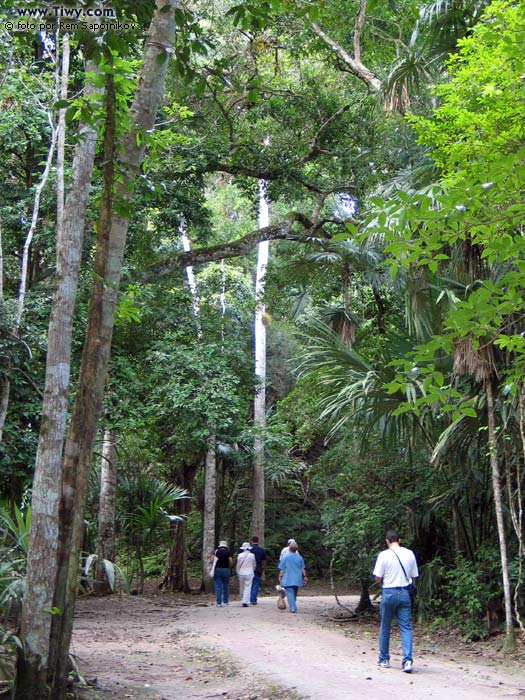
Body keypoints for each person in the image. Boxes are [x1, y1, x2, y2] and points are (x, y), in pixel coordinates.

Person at [373, 529, 418, 673]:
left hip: (388, 593)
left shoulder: (383, 555)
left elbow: (377, 577)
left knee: (385, 626)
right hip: (404, 593)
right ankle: (407, 661)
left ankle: (384, 658)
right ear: (399, 540)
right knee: (406, 627)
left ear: (387, 541)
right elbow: (414, 576)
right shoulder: (409, 553)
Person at [277, 542, 307, 613]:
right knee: (295, 592)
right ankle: (293, 605)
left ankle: (293, 608)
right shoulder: (300, 558)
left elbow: (282, 568)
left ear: (289, 549)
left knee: (290, 592)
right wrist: (305, 576)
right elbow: (302, 568)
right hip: (297, 578)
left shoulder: (286, 557)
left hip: (288, 578)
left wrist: (280, 576)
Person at [213, 540, 233, 607]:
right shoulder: (228, 552)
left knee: (218, 586)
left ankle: (219, 603)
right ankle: (226, 601)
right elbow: (230, 561)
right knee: (226, 585)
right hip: (226, 569)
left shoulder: (216, 551)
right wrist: (229, 567)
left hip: (217, 569)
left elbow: (211, 560)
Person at [236, 542, 256, 607]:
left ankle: (242, 599)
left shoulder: (239, 555)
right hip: (249, 572)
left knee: (241, 586)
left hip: (241, 572)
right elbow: (254, 564)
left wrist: (237, 571)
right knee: (248, 587)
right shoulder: (252, 555)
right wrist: (252, 570)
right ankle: (245, 601)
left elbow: (238, 565)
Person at [249, 535, 267, 605]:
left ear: (251, 541)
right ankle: (253, 599)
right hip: (258, 568)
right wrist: (263, 567)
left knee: (249, 583)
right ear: (258, 541)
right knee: (255, 584)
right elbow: (264, 560)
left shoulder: (249, 549)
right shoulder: (261, 549)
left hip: (249, 568)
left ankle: (248, 598)